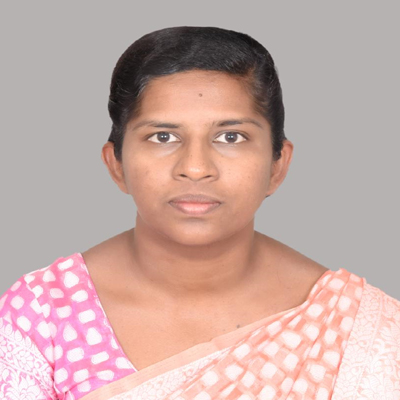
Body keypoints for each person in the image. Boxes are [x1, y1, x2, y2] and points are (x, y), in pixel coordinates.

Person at [0, 26, 399, 400]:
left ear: (277, 165)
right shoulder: (44, 313)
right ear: (116, 164)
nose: (194, 167)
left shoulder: (359, 328)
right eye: (163, 136)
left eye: (231, 137)